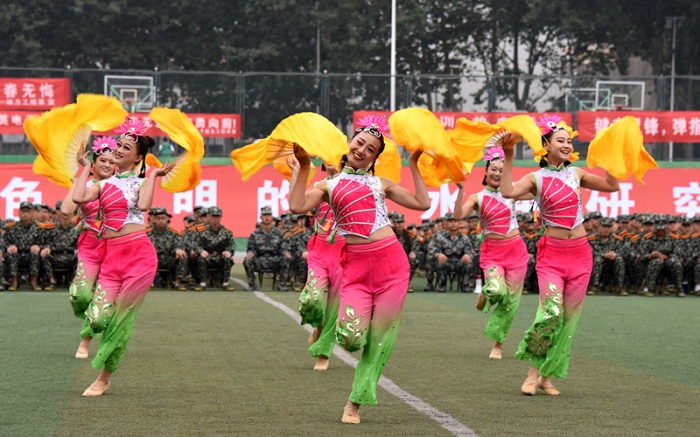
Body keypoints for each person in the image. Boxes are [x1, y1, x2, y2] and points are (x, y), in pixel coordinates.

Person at [288, 115, 430, 424]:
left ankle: (354, 403)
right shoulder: (329, 184)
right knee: (350, 338)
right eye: (359, 143)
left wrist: (415, 165)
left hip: (392, 267)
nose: (362, 149)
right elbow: (298, 206)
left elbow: (422, 203)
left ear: (375, 158)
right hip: (356, 270)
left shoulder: (381, 184)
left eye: (371, 149)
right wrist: (302, 167)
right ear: (349, 143)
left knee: (379, 341)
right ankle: (327, 330)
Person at [500, 114, 619, 396]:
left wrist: (615, 158)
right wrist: (508, 154)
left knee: (567, 319)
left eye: (569, 140)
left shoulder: (576, 174)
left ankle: (547, 377)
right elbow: (506, 191)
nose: (567, 145)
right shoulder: (535, 178)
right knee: (549, 313)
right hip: (551, 256)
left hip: (580, 255)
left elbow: (611, 185)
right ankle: (531, 374)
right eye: (560, 140)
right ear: (546, 145)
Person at [72, 117, 175, 396]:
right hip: (111, 259)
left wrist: (152, 176)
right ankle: (89, 341)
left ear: (138, 156)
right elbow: (79, 198)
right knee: (96, 318)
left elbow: (144, 205)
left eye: (126, 147)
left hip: (139, 257)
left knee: (120, 322)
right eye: (118, 144)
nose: (118, 150)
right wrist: (85, 168)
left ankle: (104, 377)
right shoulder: (103, 184)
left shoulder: (142, 180)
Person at [454, 146, 532, 359]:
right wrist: (460, 190)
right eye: (494, 169)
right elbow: (459, 214)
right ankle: (488, 292)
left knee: (511, 303)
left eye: (501, 170)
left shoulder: (512, 192)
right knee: (498, 291)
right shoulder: (478, 198)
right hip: (493, 252)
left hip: (516, 251)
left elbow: (537, 190)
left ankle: (497, 344)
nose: (497, 173)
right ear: (486, 172)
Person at [60, 137, 117, 358]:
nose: (107, 164)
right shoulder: (84, 185)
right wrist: (83, 171)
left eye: (112, 161)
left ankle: (85, 341)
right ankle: (94, 320)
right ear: (94, 162)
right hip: (89, 247)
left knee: (103, 300)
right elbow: (66, 211)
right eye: (102, 160)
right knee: (81, 296)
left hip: (114, 250)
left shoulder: (120, 187)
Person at [296, 163, 345, 372]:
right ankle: (318, 325)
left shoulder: (353, 185)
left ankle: (323, 354)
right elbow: (298, 204)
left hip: (344, 255)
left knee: (335, 309)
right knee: (310, 299)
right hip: (318, 253)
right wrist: (296, 173)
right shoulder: (318, 186)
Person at [244, 207, 292, 291]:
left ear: (272, 217)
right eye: (264, 215)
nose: (267, 217)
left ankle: (281, 284)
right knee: (247, 260)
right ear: (261, 217)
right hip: (260, 260)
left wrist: (285, 252)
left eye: (269, 215)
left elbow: (283, 247)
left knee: (286, 258)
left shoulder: (278, 233)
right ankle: (252, 285)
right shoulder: (255, 234)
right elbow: (251, 247)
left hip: (274, 260)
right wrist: (251, 253)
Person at [193, 206, 236, 291]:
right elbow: (195, 244)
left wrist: (229, 251)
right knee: (201, 259)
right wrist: (201, 251)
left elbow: (231, 245)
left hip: (220, 255)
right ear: (208, 217)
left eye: (217, 217)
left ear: (221, 217)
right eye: (213, 217)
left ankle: (225, 283)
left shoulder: (226, 231)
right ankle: (203, 283)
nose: (215, 219)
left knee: (227, 258)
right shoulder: (200, 230)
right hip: (207, 255)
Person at [4, 201, 42, 291]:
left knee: (35, 254)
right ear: (19, 213)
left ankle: (34, 282)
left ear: (32, 213)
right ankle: (14, 282)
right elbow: (5, 241)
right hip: (18, 255)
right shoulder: (12, 227)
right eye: (23, 212)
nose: (25, 214)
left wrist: (39, 246)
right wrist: (9, 246)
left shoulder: (39, 228)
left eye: (28, 212)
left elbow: (45, 242)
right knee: (12, 254)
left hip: (31, 255)